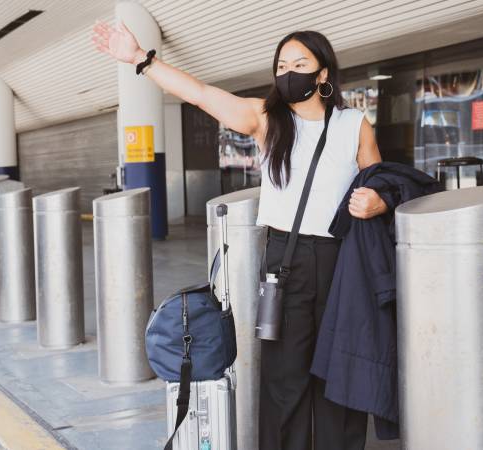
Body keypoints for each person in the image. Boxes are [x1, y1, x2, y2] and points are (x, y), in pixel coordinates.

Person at [92, 19, 389, 450]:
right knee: (284, 380)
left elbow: (378, 183)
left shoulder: (354, 124)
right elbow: (200, 94)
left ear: (323, 72)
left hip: (343, 260)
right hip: (287, 260)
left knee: (340, 376)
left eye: (300, 64)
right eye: (281, 65)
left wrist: (376, 201)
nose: (288, 73)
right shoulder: (267, 118)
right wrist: (141, 59)